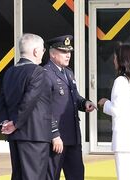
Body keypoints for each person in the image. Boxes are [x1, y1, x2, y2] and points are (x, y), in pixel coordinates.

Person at [0, 33, 56, 180]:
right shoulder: (38, 72)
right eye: (43, 50)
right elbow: (29, 101)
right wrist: (15, 123)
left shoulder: (10, 72)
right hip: (34, 135)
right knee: (34, 176)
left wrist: (5, 121)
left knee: (18, 176)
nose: (43, 53)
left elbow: (2, 99)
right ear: (36, 51)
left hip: (15, 136)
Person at [44, 35, 96, 180]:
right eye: (63, 52)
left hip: (73, 136)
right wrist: (54, 135)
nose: (68, 55)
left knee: (77, 175)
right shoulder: (46, 74)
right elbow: (45, 108)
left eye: (69, 52)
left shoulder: (68, 72)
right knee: (52, 175)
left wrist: (84, 103)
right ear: (52, 53)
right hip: (57, 139)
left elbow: (74, 97)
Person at [97, 44, 130, 180]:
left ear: (121, 61)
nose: (114, 61)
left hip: (124, 138)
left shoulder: (120, 81)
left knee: (125, 175)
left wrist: (105, 103)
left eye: (115, 58)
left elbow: (116, 110)